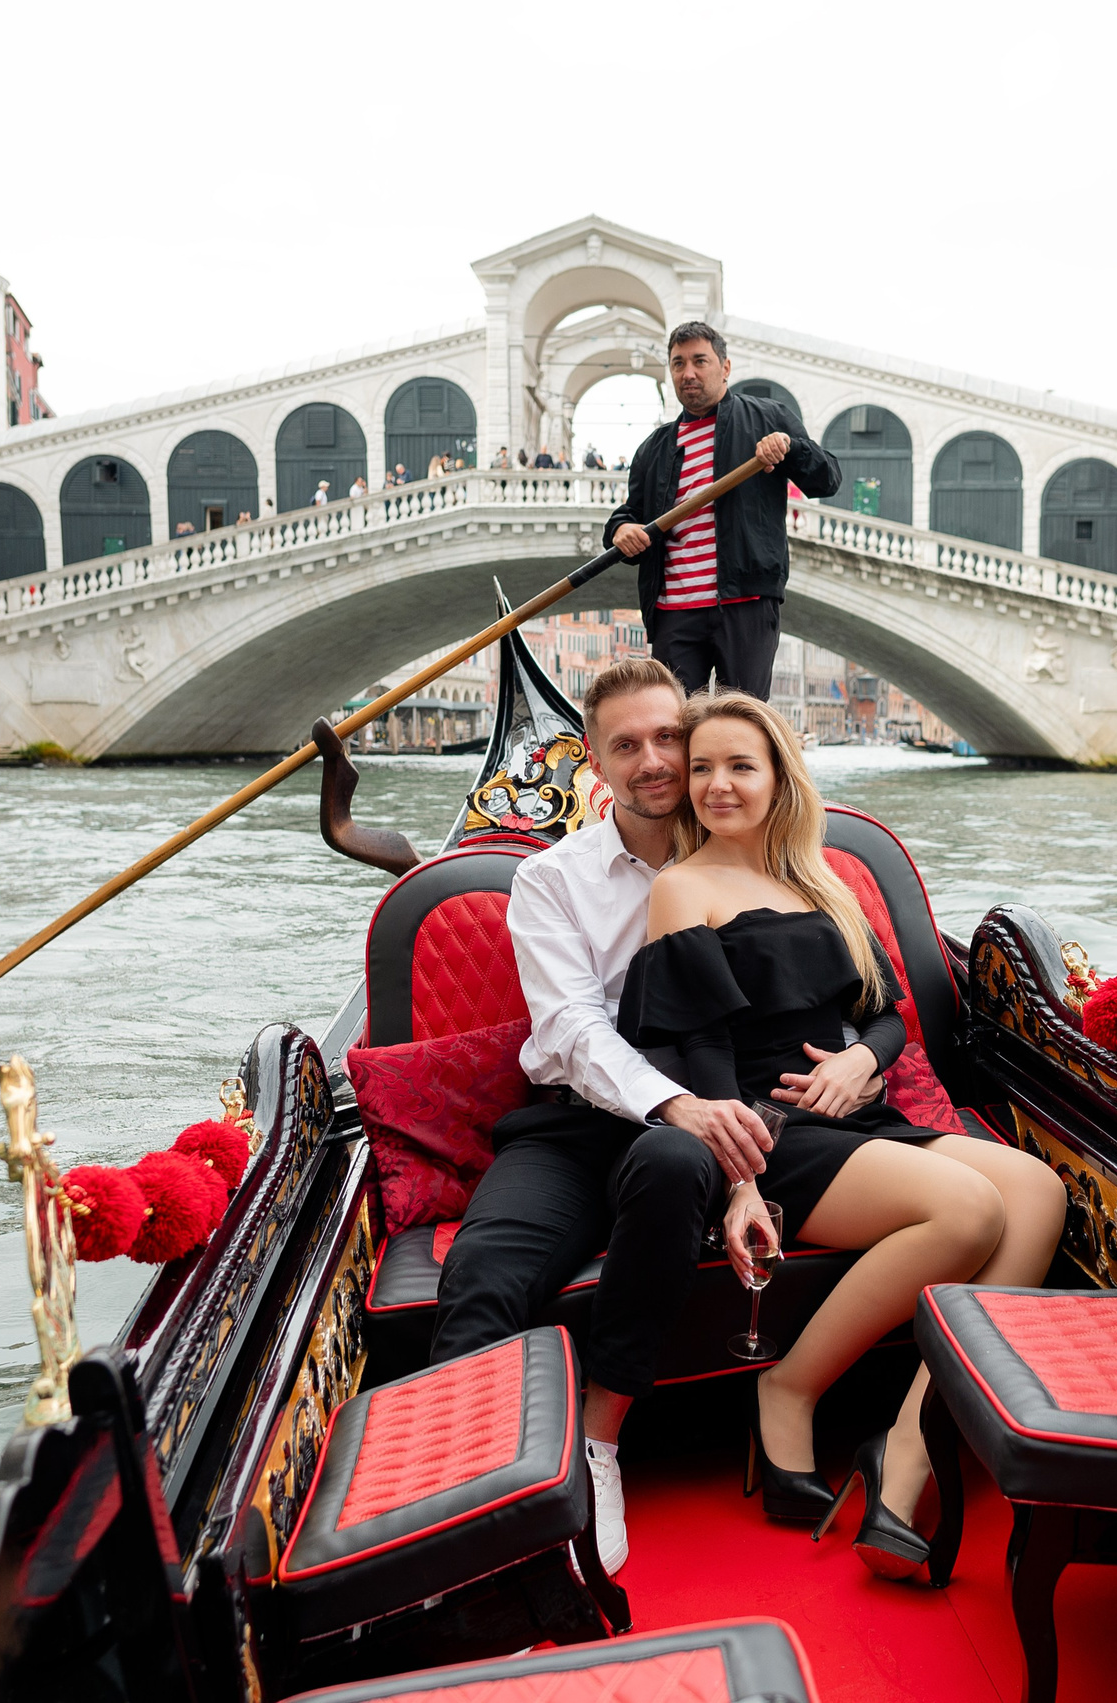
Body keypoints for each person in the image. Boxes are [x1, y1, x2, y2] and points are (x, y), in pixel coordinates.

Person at [621, 689, 1064, 1579]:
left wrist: (863, 1060)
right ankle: (787, 1389)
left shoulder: (817, 877)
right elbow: (699, 1045)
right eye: (701, 767)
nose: (716, 784)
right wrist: (739, 1177)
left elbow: (887, 1018)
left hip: (859, 1113)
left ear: (780, 774)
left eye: (739, 765)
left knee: (1039, 1192)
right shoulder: (682, 886)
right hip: (770, 1130)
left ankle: (909, 1446)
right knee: (971, 1211)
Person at [430, 658, 789, 1577]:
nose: (655, 761)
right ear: (593, 760)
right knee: (482, 1273)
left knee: (674, 1166)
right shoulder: (552, 880)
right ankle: (465, 1521)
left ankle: (601, 1446)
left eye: (669, 737)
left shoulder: (758, 863)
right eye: (627, 744)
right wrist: (679, 1103)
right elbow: (573, 1032)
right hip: (573, 1122)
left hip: (687, 1133)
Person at [608, 322, 839, 701]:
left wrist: (791, 448)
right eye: (678, 364)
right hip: (673, 610)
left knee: (742, 720)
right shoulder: (654, 448)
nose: (689, 373)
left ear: (725, 367)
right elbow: (630, 514)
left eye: (700, 361)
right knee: (675, 723)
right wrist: (619, 530)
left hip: (744, 602)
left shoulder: (767, 419)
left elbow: (827, 479)